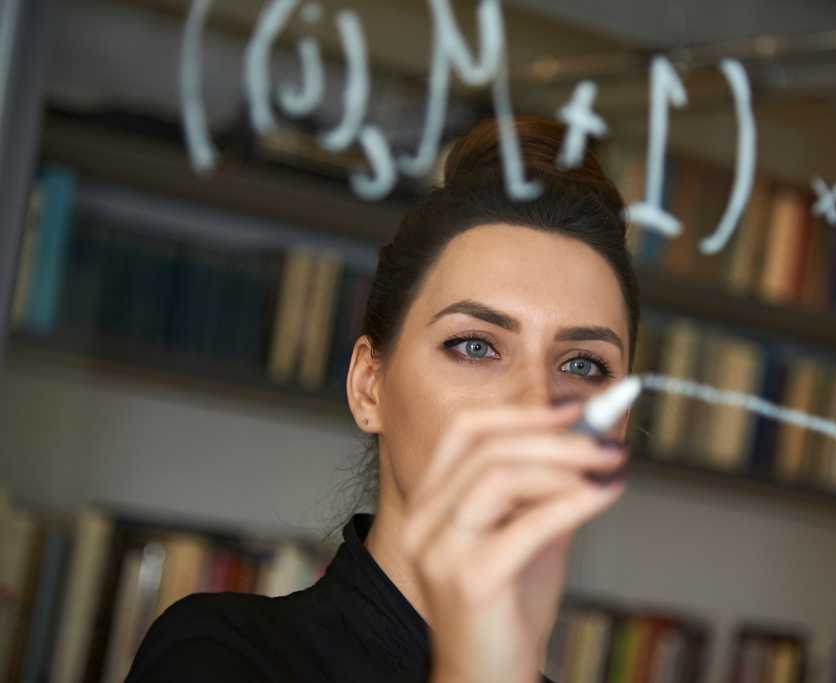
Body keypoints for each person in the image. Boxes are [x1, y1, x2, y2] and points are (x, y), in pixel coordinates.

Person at [125, 115, 639, 683]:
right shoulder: (221, 656)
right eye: (475, 345)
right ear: (370, 385)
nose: (533, 406)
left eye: (583, 365)